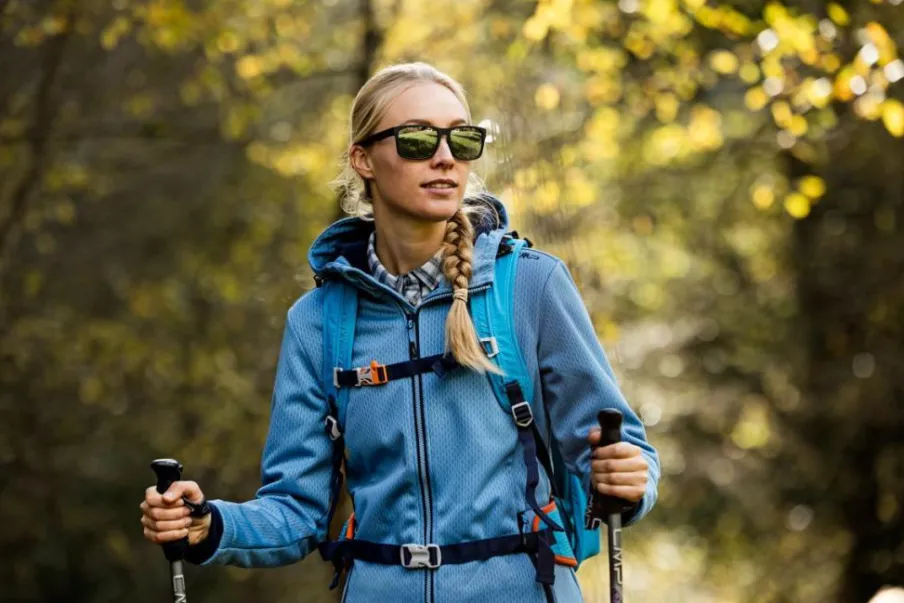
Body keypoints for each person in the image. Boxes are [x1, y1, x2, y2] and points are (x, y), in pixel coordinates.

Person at [140, 61, 660, 603]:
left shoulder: (530, 285)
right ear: (362, 159)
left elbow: (622, 452)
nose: (445, 157)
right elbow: (297, 510)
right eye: (417, 140)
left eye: (462, 139)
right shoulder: (318, 321)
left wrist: (629, 479)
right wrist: (209, 525)